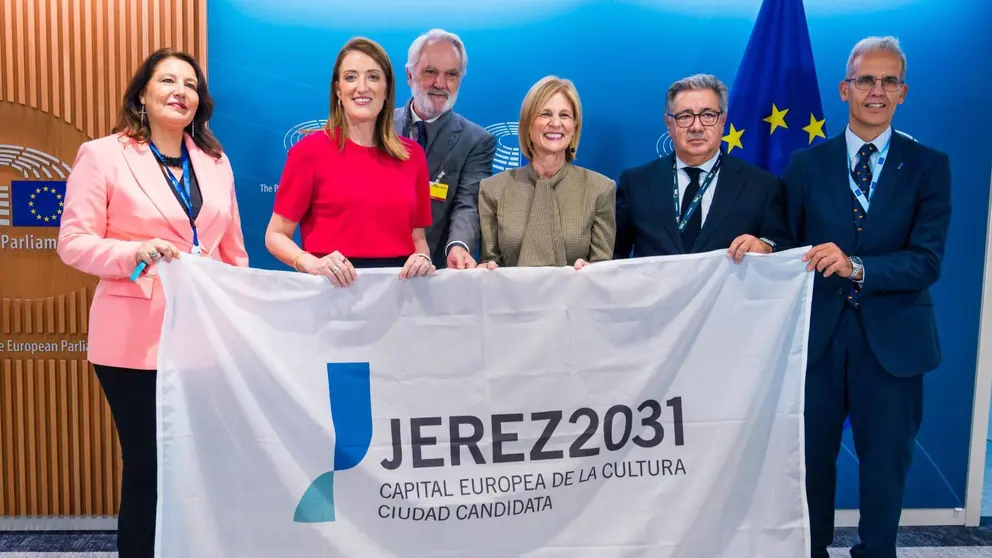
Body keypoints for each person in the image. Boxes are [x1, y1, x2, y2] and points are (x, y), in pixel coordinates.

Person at [56, 47, 249, 557]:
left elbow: (233, 253)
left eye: (190, 84)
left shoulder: (215, 162)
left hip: (202, 340)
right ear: (142, 93)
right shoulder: (103, 155)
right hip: (132, 342)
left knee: (197, 463)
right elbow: (72, 242)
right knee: (149, 465)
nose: (180, 91)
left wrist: (240, 320)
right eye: (167, 81)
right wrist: (132, 253)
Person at [770, 37, 951, 558]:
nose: (877, 90)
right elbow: (784, 240)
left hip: (895, 342)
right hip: (818, 340)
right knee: (809, 459)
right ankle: (812, 549)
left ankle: (876, 551)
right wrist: (764, 245)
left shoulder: (929, 166)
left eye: (889, 81)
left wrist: (857, 267)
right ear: (844, 89)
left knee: (886, 462)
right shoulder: (806, 164)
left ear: (903, 93)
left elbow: (927, 260)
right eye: (866, 79)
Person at [265, 37, 435, 284]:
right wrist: (311, 263)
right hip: (331, 294)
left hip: (399, 297)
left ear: (387, 90)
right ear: (338, 89)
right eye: (351, 77)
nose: (362, 87)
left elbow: (418, 239)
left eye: (373, 77)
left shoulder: (412, 156)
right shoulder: (308, 153)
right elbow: (276, 234)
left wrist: (422, 258)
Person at [613, 74, 782, 262]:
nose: (696, 127)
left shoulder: (762, 185)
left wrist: (766, 247)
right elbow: (613, 255)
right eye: (685, 116)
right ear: (669, 124)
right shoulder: (636, 183)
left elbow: (786, 249)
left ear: (723, 121)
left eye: (708, 115)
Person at [478, 76, 615, 269]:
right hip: (511, 290)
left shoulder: (600, 189)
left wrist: (592, 272)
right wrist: (488, 268)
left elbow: (603, 268)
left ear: (574, 128)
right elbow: (491, 262)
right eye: (545, 114)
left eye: (564, 115)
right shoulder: (493, 189)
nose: (556, 123)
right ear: (527, 125)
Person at [395, 28, 496, 269]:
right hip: (370, 271)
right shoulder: (375, 127)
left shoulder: (477, 141)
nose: (440, 83)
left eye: (451, 74)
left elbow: (467, 205)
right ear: (409, 75)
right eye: (430, 72)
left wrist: (458, 246)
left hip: (433, 275)